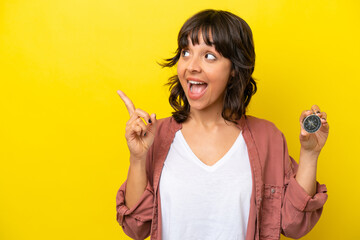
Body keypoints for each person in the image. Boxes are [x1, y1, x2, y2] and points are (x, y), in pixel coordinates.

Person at [115, 9, 329, 240]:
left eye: (209, 56)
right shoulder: (157, 134)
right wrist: (137, 158)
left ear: (235, 69)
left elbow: (294, 225)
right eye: (186, 52)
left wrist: (310, 154)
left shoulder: (267, 137)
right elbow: (137, 228)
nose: (192, 66)